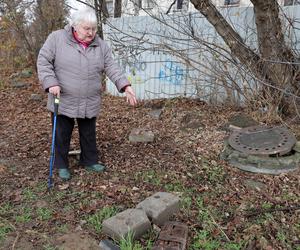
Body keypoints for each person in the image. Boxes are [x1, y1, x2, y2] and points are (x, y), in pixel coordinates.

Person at [37, 7, 137, 180]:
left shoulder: (101, 45)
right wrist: (51, 82)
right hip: (63, 98)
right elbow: (43, 61)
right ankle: (61, 165)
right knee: (61, 134)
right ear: (75, 26)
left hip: (89, 99)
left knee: (89, 133)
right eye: (87, 28)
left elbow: (111, 67)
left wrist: (125, 85)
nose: (91, 33)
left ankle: (89, 160)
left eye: (94, 28)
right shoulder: (57, 38)